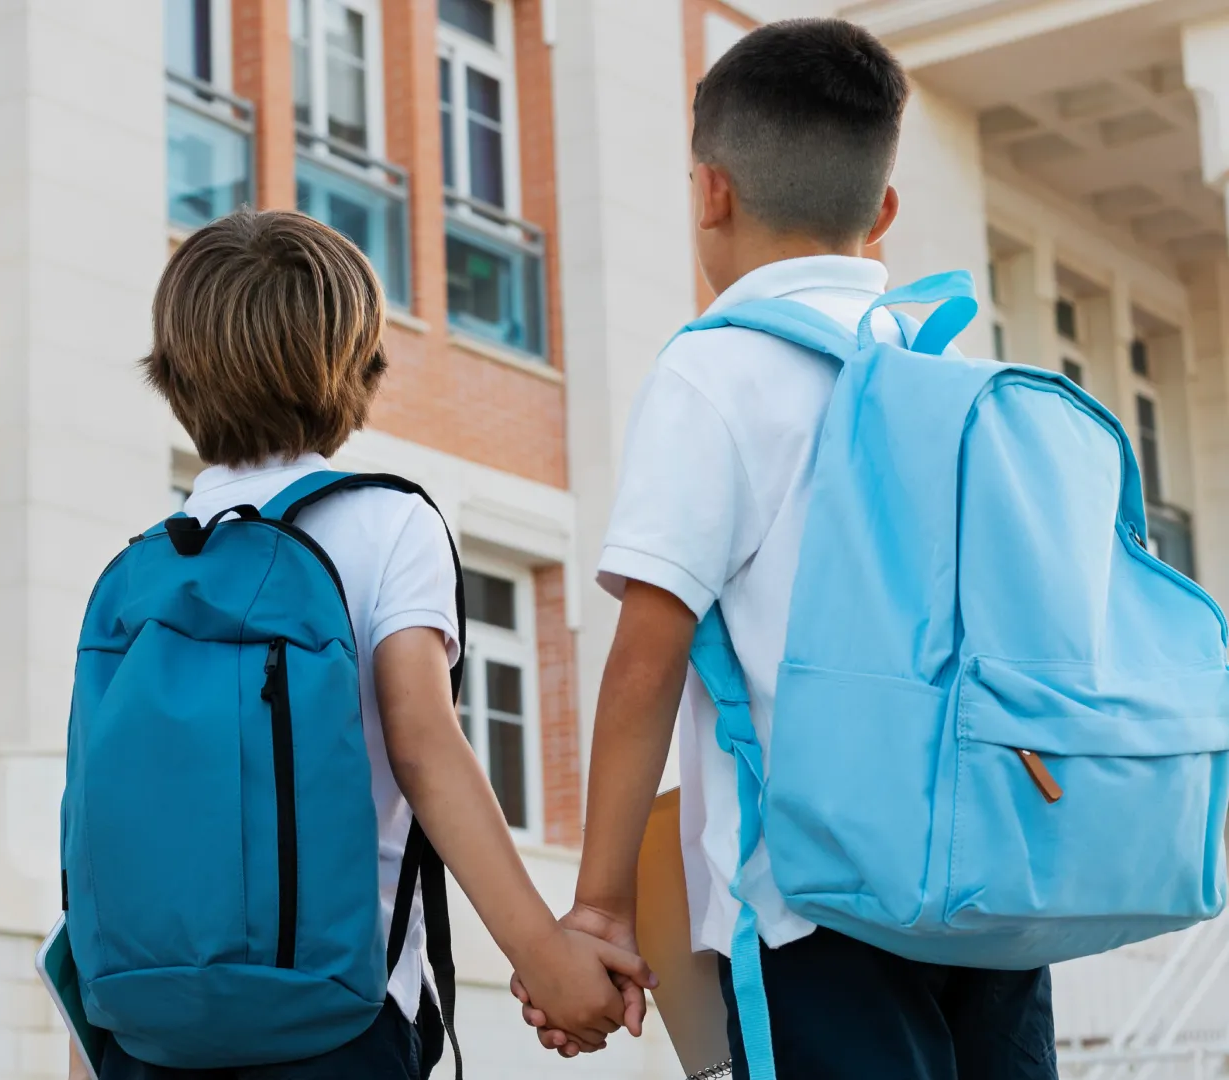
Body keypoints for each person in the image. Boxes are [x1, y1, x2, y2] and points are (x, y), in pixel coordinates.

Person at [514, 18, 1057, 1079]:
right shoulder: (949, 375)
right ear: (884, 210)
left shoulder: (714, 375)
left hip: (818, 912)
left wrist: (602, 906)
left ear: (710, 190)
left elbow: (645, 662)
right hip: (994, 898)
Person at [103, 208, 653, 1080]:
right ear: (359, 366)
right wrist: (546, 955)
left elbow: (105, 819)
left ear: (172, 373)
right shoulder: (387, 521)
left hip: (150, 1030)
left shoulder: (149, 560)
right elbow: (425, 748)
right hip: (335, 1018)